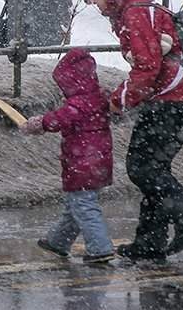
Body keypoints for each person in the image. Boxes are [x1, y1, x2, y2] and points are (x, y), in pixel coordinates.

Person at [83, 0, 183, 261]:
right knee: (153, 168)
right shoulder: (135, 11)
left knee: (143, 168)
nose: (92, 2)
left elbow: (147, 69)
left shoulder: (135, 13)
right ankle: (150, 242)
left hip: (175, 98)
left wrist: (118, 100)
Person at [20, 48, 115, 264]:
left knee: (83, 206)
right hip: (98, 161)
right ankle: (58, 242)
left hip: (83, 163)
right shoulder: (98, 97)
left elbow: (57, 120)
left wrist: (37, 124)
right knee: (76, 205)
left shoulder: (79, 104)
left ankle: (100, 248)